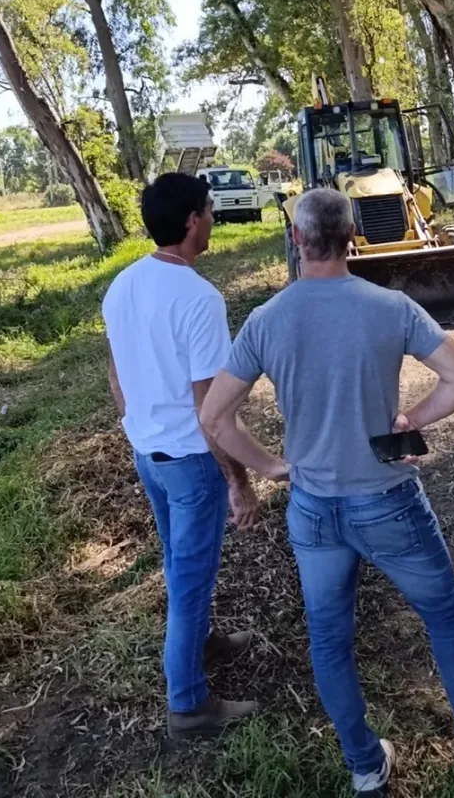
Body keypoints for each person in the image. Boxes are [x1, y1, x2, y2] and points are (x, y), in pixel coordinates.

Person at [200, 188, 454, 797]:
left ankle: (364, 765)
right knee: (447, 619)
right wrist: (412, 417)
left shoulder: (266, 320)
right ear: (353, 236)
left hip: (313, 510)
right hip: (388, 500)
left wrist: (271, 467)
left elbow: (216, 418)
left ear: (298, 240)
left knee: (329, 638)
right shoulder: (391, 306)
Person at [102, 173, 262, 739]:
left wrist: (134, 425)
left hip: (150, 456)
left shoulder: (122, 285)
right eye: (211, 211)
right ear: (193, 220)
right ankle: (189, 704)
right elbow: (210, 407)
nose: (214, 219)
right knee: (190, 582)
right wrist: (238, 481)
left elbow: (117, 372)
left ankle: (201, 645)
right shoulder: (198, 297)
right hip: (192, 464)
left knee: (178, 567)